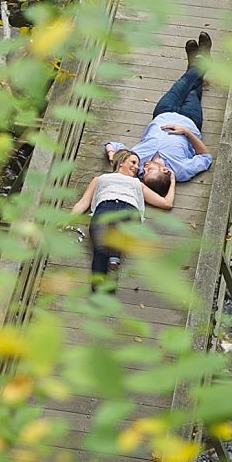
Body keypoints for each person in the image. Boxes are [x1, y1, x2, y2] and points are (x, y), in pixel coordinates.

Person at [104, 32, 214, 197]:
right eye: (150, 170)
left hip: (163, 112)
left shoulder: (137, 162)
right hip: (190, 119)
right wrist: (186, 132)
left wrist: (112, 155)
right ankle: (199, 64)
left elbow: (113, 144)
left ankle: (198, 66)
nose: (145, 168)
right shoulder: (181, 170)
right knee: (192, 90)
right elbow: (205, 158)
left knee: (183, 84)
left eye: (144, 173)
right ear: (165, 170)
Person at [71, 149, 175, 291]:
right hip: (104, 208)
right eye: (133, 162)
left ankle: (114, 261)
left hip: (128, 209)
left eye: (137, 164)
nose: (136, 167)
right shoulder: (100, 179)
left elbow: (166, 203)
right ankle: (99, 289)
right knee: (100, 249)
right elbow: (83, 203)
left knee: (117, 234)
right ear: (121, 162)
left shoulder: (137, 184)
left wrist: (173, 181)